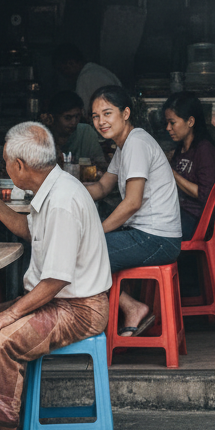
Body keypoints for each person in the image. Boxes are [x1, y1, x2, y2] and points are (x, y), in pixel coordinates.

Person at [0, 122, 111, 430]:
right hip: (59, 300)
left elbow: (56, 280)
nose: (5, 168)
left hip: (79, 308)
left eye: (7, 163)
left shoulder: (62, 202)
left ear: (20, 167)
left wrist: (11, 315)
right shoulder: (52, 190)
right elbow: (31, 232)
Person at [84, 86, 182, 337]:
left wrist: (97, 231)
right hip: (145, 235)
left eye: (107, 113)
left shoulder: (136, 143)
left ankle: (130, 308)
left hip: (156, 239)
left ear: (125, 113)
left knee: (81, 251)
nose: (101, 122)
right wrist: (67, 188)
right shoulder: (124, 145)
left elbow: (132, 203)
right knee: (80, 246)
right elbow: (102, 187)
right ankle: (128, 308)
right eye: (95, 116)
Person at [163, 91, 215, 241]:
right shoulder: (181, 149)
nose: (168, 128)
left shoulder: (204, 150)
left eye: (173, 122)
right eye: (167, 123)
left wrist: (172, 174)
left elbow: (205, 194)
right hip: (181, 214)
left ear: (190, 122)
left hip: (196, 220)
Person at [40, 90, 105, 169]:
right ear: (53, 117)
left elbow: (101, 165)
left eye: (77, 117)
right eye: (68, 118)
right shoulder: (43, 135)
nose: (74, 122)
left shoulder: (86, 132)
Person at [52, 43, 120, 117]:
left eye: (63, 69)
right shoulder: (98, 70)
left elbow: (83, 113)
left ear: (71, 63)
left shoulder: (85, 78)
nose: (64, 74)